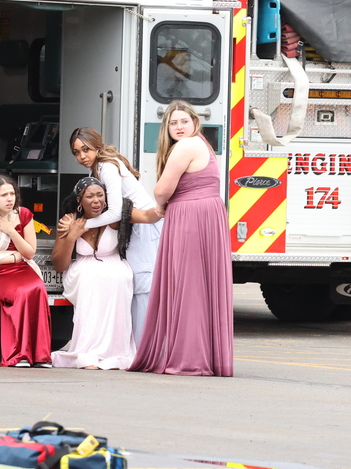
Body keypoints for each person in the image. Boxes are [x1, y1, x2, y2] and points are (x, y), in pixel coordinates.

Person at [129, 101, 234, 376]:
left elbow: (162, 189)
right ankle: (202, 354)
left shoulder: (185, 146)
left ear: (194, 123)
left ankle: (188, 356)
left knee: (188, 285)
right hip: (207, 213)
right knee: (200, 284)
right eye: (173, 123)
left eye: (183, 121)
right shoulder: (203, 145)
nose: (179, 127)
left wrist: (161, 205)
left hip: (190, 215)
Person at [61, 127, 162, 345]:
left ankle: (145, 348)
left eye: (85, 150)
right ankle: (134, 346)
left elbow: (115, 211)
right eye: (76, 152)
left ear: (97, 146)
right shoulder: (97, 169)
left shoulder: (107, 166)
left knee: (143, 286)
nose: (81, 157)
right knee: (135, 286)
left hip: (145, 227)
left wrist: (81, 226)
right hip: (133, 226)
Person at [51, 177, 161, 370]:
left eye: (100, 195)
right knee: (92, 279)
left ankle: (115, 351)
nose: (96, 201)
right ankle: (88, 351)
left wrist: (166, 205)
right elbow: (60, 265)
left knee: (119, 277)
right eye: (90, 196)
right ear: (79, 200)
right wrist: (71, 237)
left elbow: (147, 217)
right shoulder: (70, 221)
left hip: (113, 265)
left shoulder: (117, 216)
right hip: (83, 269)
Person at [0, 174, 52, 368]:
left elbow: (29, 253)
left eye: (12, 193)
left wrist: (12, 231)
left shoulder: (23, 214)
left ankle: (41, 356)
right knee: (22, 293)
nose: (10, 198)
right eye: (4, 195)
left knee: (38, 288)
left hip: (22, 268)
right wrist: (15, 255)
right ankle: (18, 355)